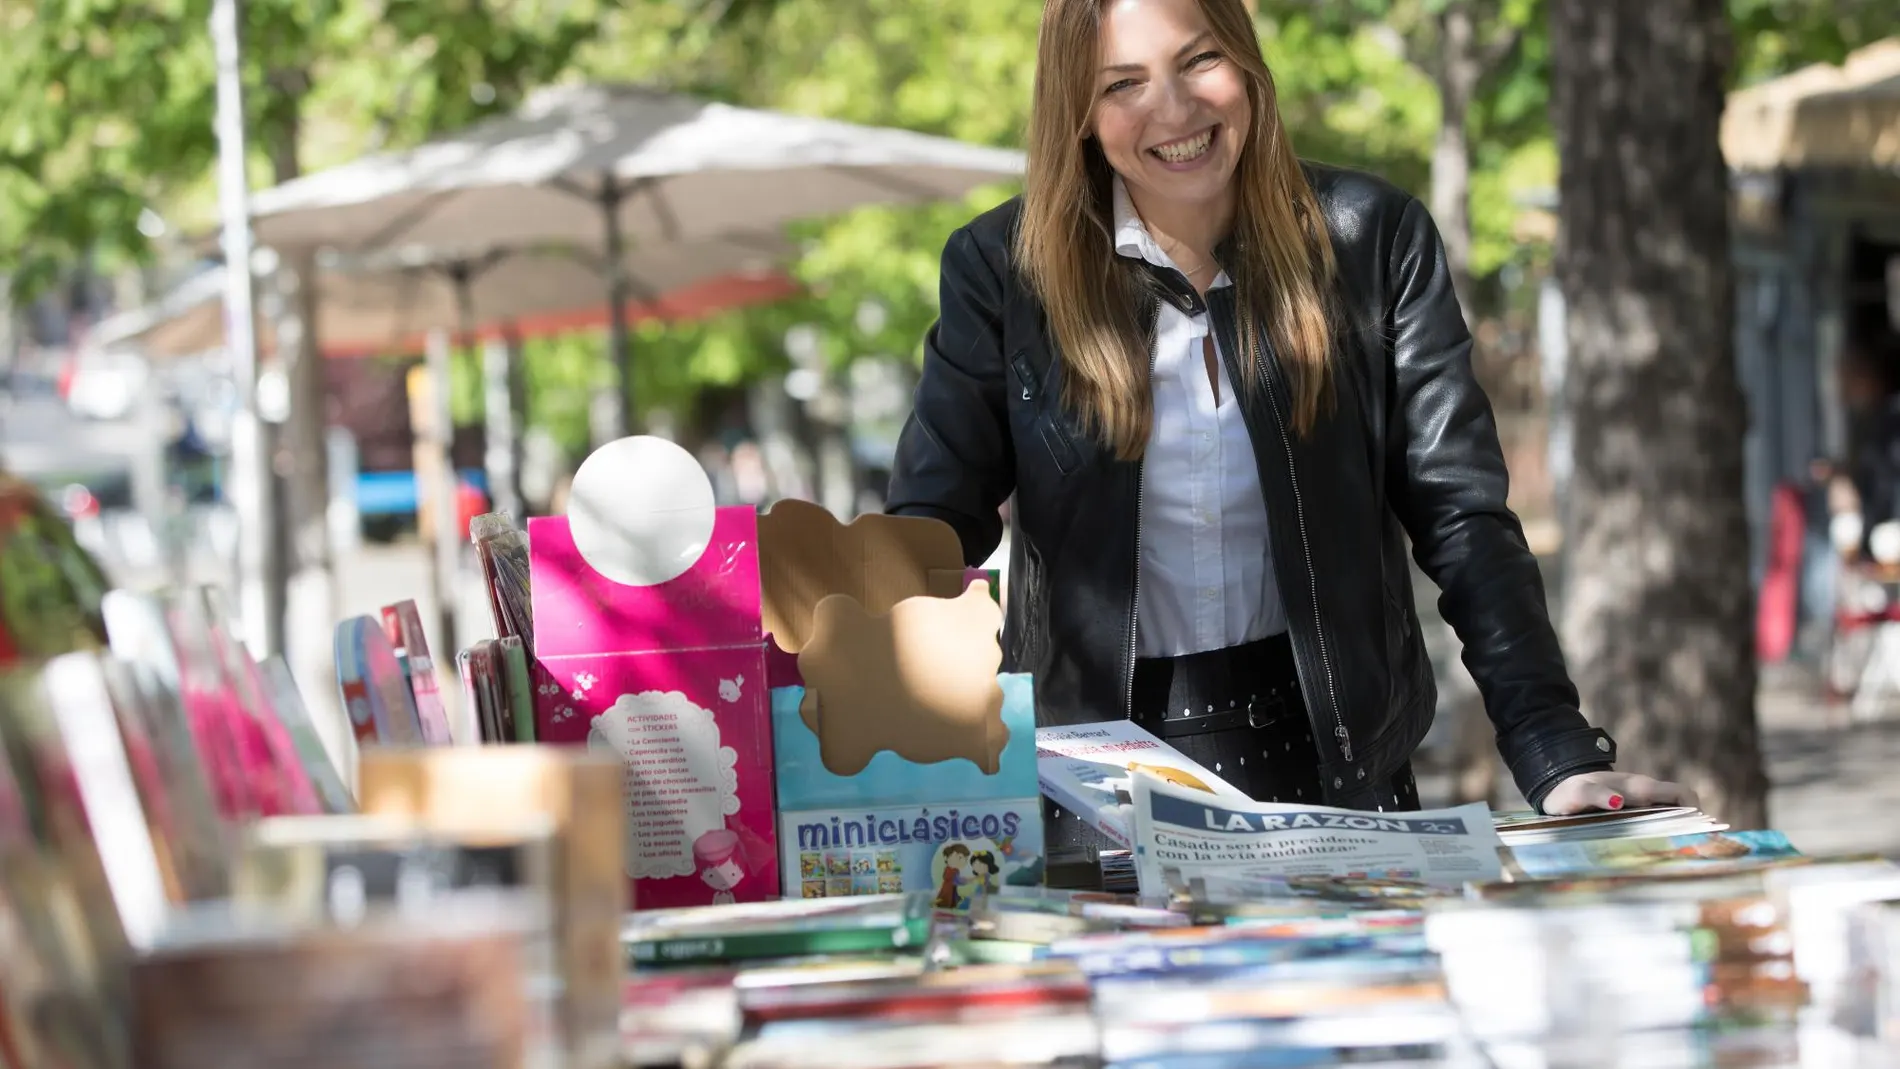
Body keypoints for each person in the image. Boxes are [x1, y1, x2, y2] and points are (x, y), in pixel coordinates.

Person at [885, 0, 1693, 846]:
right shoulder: (999, 272)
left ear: (1246, 62)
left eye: (1198, 61)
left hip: (1341, 780)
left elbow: (1463, 518)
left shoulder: (1372, 240)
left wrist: (1555, 747)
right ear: (1079, 116)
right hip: (1092, 790)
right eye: (1123, 84)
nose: (1174, 110)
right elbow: (930, 529)